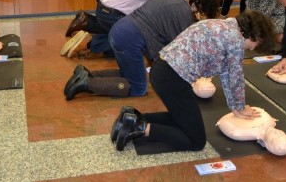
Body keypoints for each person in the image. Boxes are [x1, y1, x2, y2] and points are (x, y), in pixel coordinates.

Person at [111, 10, 276, 152]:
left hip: (162, 70)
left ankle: (131, 117)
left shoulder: (224, 25)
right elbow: (235, 75)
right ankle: (139, 128)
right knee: (196, 141)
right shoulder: (235, 40)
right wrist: (240, 106)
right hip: (172, 78)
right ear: (252, 34)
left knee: (181, 119)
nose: (253, 48)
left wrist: (236, 106)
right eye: (256, 43)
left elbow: (227, 72)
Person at [64, 0, 220, 100]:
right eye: (200, 10)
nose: (198, 13)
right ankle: (86, 83)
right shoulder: (183, 10)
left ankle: (88, 74)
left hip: (120, 31)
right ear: (198, 2)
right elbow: (180, 49)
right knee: (138, 88)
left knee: (129, 72)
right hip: (127, 40)